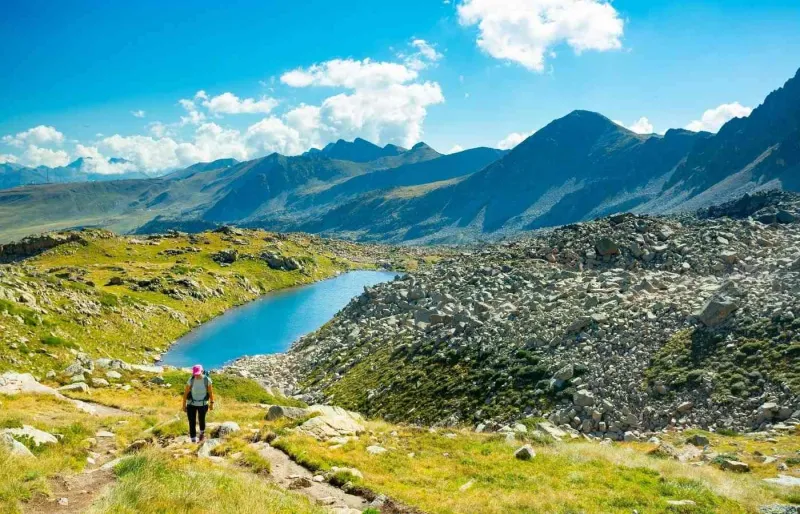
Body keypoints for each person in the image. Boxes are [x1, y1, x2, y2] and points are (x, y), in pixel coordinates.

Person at [182, 364, 214, 443]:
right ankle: (193, 440)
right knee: (191, 421)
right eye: (195, 374)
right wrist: (183, 405)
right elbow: (185, 393)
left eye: (198, 374)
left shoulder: (207, 380)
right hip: (191, 404)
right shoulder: (191, 380)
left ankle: (202, 434)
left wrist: (212, 403)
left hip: (203, 404)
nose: (196, 375)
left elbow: (210, 392)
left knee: (201, 419)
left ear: (202, 371)